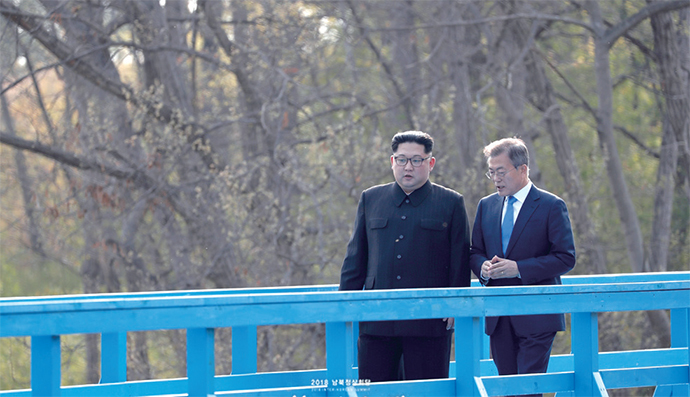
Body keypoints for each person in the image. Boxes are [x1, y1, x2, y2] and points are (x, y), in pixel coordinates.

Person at [339, 130, 471, 382]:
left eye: (416, 160)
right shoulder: (371, 198)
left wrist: (455, 304)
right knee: (374, 390)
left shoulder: (451, 202)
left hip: (429, 320)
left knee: (429, 391)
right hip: (377, 319)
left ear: (430, 163)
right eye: (401, 160)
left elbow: (460, 260)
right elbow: (355, 259)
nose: (407, 167)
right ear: (392, 162)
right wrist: (345, 304)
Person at [470, 137, 576, 397]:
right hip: (499, 315)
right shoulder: (486, 206)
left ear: (523, 169)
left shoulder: (551, 205)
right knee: (507, 390)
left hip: (538, 315)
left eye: (501, 171)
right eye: (491, 172)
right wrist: (483, 268)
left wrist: (519, 268)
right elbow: (474, 252)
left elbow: (566, 257)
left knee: (527, 391)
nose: (496, 178)